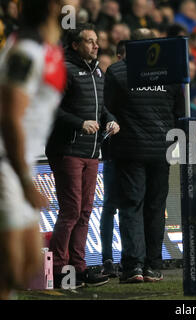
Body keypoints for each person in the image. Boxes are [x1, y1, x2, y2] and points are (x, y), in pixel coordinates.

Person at [104, 28, 185, 283]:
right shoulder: (170, 73)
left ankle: (133, 267)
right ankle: (152, 265)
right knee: (155, 208)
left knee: (131, 206)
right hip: (162, 151)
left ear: (128, 48)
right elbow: (179, 112)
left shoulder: (116, 72)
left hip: (129, 151)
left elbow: (107, 110)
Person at [45, 23, 120, 288]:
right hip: (67, 149)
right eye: (89, 41)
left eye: (96, 40)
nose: (96, 45)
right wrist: (79, 123)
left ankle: (79, 267)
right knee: (71, 211)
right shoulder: (64, 69)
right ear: (75, 45)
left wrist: (111, 120)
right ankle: (58, 271)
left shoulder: (98, 71)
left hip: (91, 151)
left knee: (85, 211)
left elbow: (102, 108)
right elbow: (50, 107)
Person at [0, 0, 66, 300]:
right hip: (6, 162)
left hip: (20, 164)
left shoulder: (47, 49)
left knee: (25, 266)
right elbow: (9, 117)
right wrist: (25, 181)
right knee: (11, 267)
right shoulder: (25, 51)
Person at [100, 40, 127, 279]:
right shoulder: (103, 89)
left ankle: (130, 258)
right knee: (110, 206)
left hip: (132, 153)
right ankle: (107, 258)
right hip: (112, 154)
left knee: (127, 206)